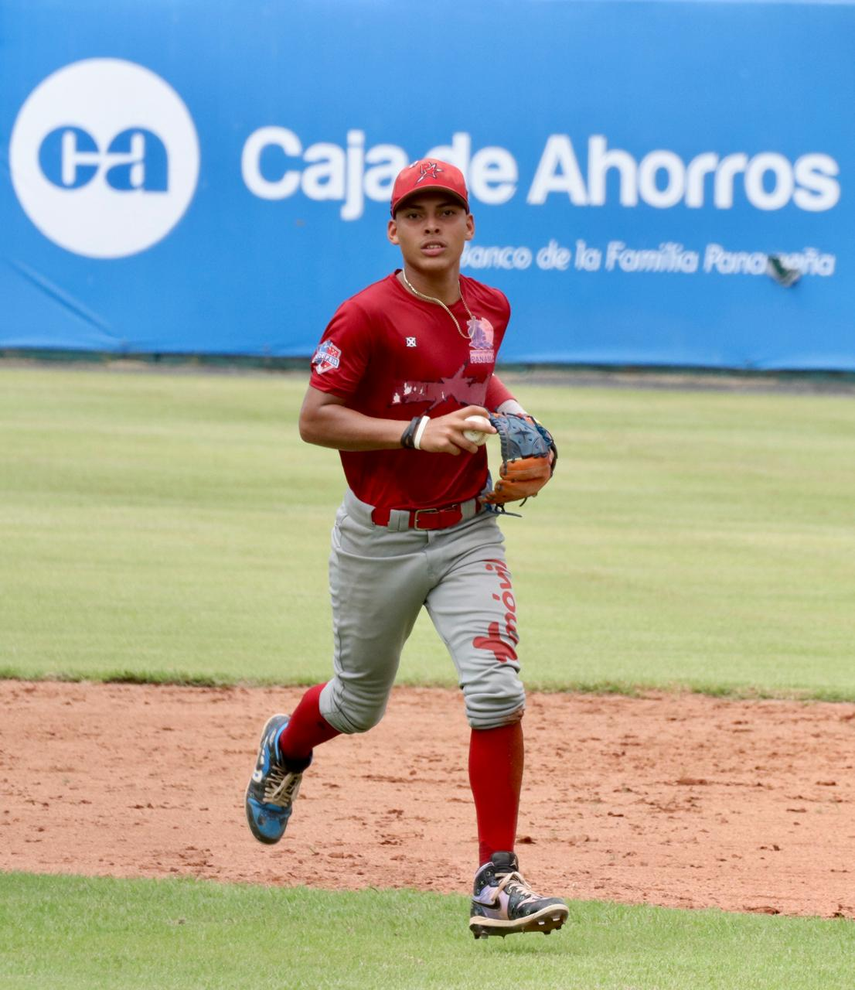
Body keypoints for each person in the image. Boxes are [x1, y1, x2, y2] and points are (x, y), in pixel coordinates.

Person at [245, 158, 568, 939]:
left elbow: (473, 377)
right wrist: (413, 433)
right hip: (377, 541)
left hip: (467, 528)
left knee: (495, 691)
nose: (431, 225)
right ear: (392, 231)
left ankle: (497, 878)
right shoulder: (364, 316)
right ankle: (284, 750)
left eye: (445, 211)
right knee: (356, 704)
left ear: (468, 226)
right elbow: (314, 418)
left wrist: (517, 413)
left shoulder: (490, 305)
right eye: (415, 213)